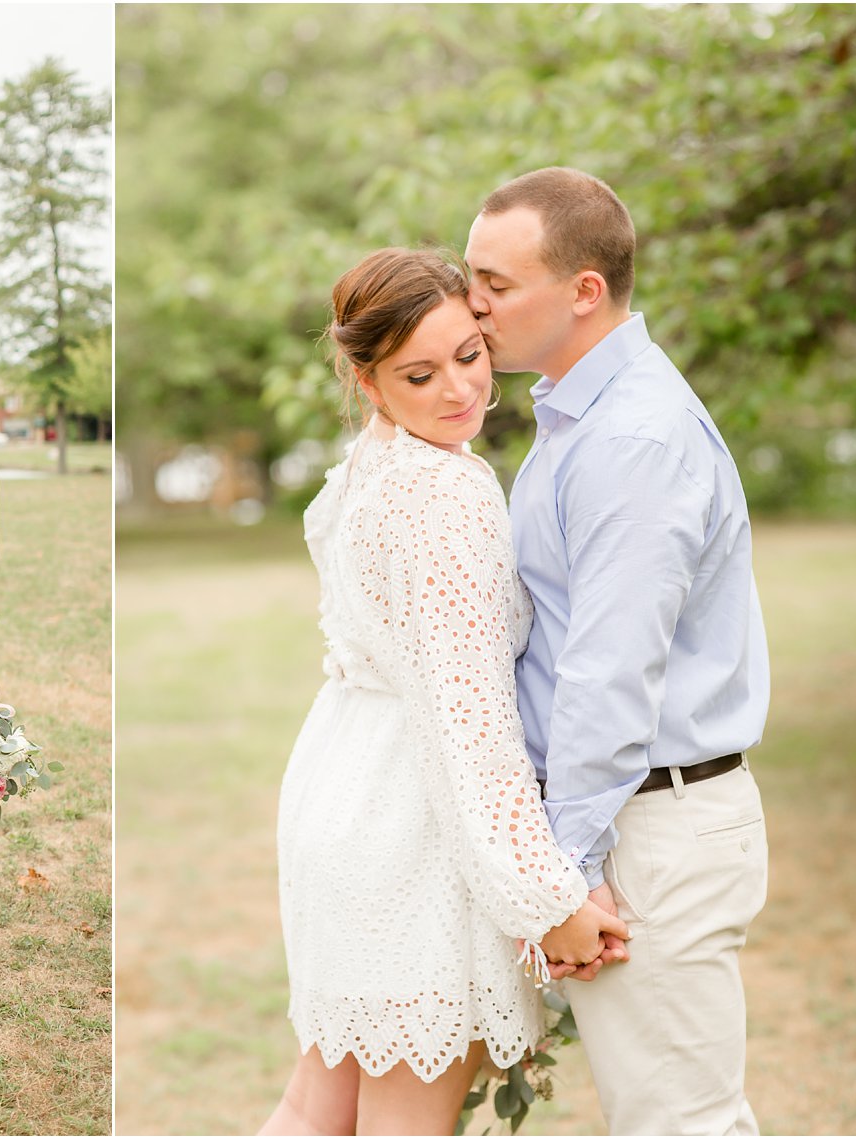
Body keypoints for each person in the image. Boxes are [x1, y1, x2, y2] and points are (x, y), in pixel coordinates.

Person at [262, 249, 629, 1136]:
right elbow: (469, 723)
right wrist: (547, 898)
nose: (461, 390)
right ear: (368, 378)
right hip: (407, 828)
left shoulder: (365, 470)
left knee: (319, 1104)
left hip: (336, 795)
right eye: (419, 374)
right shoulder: (445, 493)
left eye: (470, 354)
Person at [464, 167, 770, 1135]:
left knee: (681, 1124)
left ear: (582, 289)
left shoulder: (631, 439)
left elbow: (606, 673)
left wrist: (570, 868)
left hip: (647, 821)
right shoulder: (580, 415)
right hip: (628, 813)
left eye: (494, 284)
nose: (470, 305)